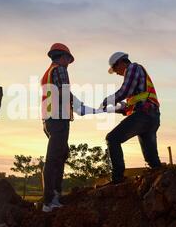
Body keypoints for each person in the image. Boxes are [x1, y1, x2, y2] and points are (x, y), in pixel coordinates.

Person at [40, 43, 94, 212]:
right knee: (55, 158)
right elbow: (65, 91)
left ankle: (53, 197)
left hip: (49, 120)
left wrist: (78, 106)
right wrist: (79, 107)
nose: (69, 63)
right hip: (58, 119)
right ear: (62, 57)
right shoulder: (60, 69)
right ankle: (49, 200)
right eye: (68, 59)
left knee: (60, 154)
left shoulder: (48, 73)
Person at [101, 52, 162, 185]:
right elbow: (128, 106)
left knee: (112, 139)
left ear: (121, 63)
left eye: (116, 69)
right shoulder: (138, 79)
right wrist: (112, 108)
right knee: (152, 159)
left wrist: (109, 99)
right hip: (150, 117)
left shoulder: (133, 68)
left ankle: (117, 178)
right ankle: (164, 181)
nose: (117, 73)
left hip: (144, 116)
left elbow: (125, 90)